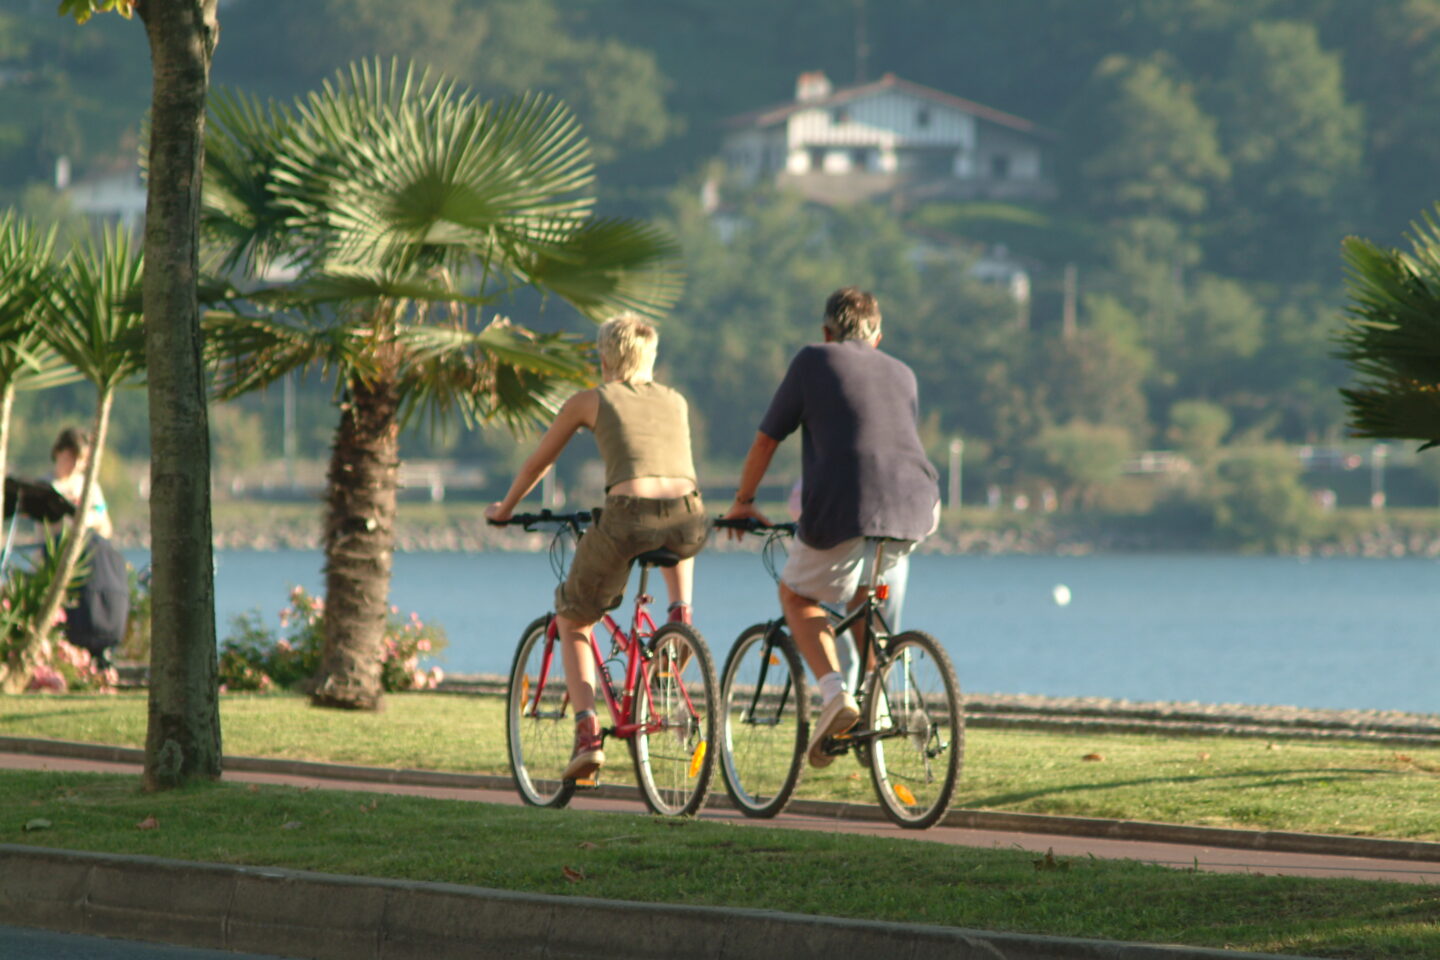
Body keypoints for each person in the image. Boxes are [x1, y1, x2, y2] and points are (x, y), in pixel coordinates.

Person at [723, 287, 939, 767]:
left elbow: (766, 441)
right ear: (878, 336)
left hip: (845, 502)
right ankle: (876, 708)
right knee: (864, 598)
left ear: (826, 332)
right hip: (919, 504)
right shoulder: (903, 373)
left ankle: (835, 693)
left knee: (798, 597)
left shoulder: (812, 360)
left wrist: (743, 502)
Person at [486, 313, 708, 781]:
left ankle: (588, 734)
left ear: (605, 357)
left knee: (572, 616)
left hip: (629, 515)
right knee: (679, 517)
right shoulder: (677, 400)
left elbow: (538, 463)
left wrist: (506, 508)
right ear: (651, 356)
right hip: (690, 519)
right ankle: (680, 616)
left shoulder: (592, 398)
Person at [49, 427, 128, 667]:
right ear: (61, 453)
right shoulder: (47, 486)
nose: (78, 466)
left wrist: (85, 520)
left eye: (82, 460)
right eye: (75, 458)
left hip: (89, 561)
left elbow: (105, 525)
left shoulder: (90, 488)